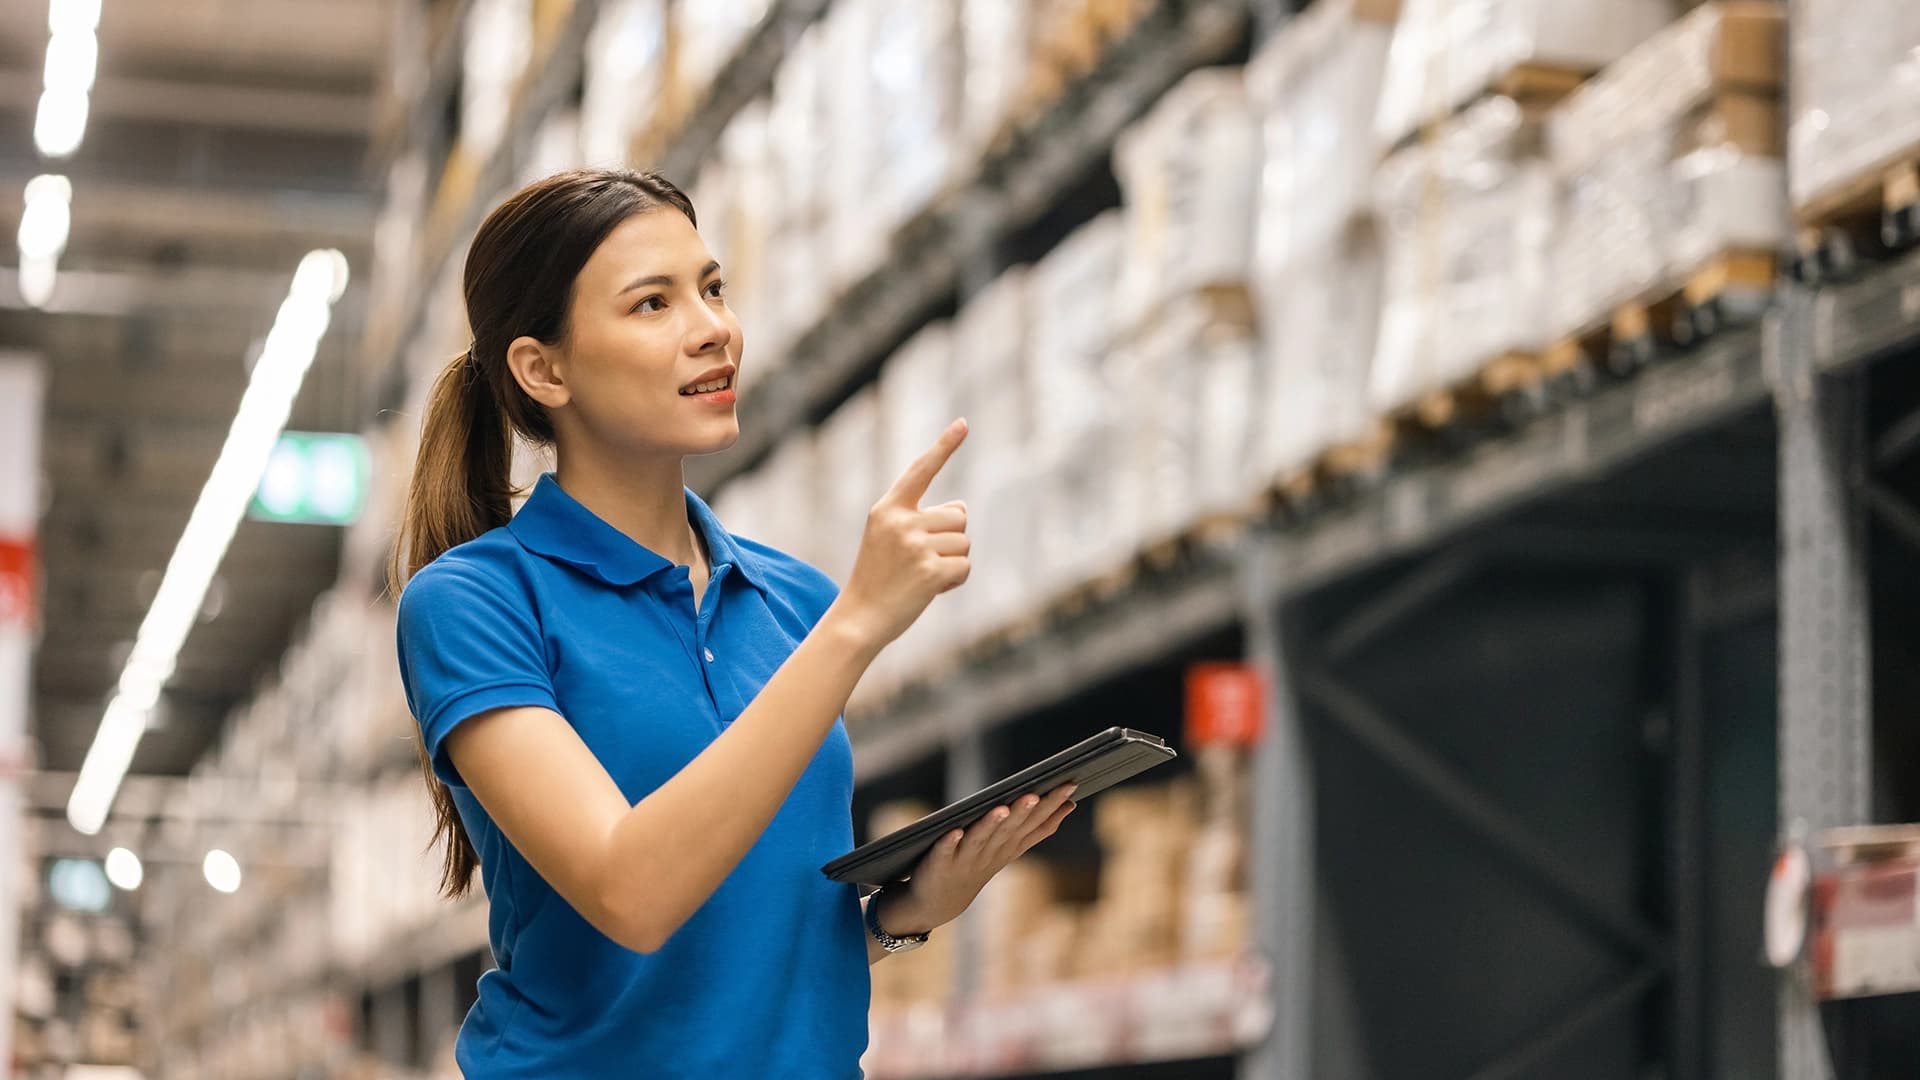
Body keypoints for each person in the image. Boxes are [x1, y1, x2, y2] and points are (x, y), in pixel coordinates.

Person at [388, 168, 1076, 1078]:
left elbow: (733, 959)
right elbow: (630, 892)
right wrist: (858, 627)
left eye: (712, 288)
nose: (712, 328)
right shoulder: (475, 603)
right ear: (542, 369)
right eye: (651, 304)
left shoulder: (791, 599)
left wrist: (905, 916)